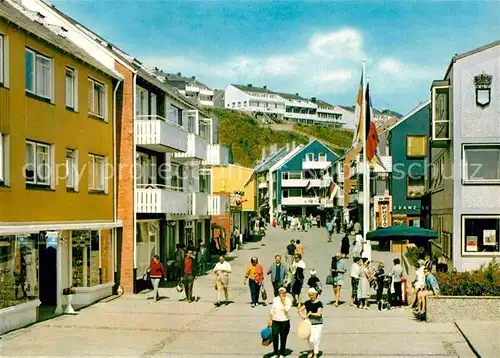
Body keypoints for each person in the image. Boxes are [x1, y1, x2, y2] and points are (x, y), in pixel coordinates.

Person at [298, 288, 324, 358]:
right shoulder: (307, 302)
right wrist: (303, 317)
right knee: (310, 339)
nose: (311, 297)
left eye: (312, 295)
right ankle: (311, 350)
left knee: (316, 339)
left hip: (318, 323)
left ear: (316, 295)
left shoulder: (319, 303)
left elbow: (319, 313)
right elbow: (300, 310)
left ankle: (315, 353)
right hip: (309, 323)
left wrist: (311, 314)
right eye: (309, 295)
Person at [268, 287, 292, 358]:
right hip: (275, 320)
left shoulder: (288, 300)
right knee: (275, 336)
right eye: (280, 292)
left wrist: (283, 301)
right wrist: (270, 319)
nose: (281, 294)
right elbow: (272, 309)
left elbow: (287, 309)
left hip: (285, 321)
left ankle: (282, 353)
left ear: (285, 293)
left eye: (283, 292)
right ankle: (275, 353)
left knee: (283, 337)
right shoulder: (275, 299)